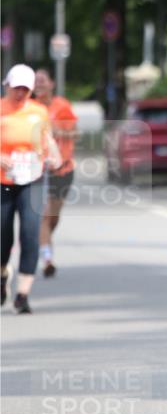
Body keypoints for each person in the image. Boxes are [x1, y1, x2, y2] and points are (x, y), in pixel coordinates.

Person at [1, 64, 62, 313]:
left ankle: (23, 294)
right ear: (7, 86)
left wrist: (55, 157)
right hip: (3, 182)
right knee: (2, 235)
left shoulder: (39, 111)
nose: (20, 94)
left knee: (29, 232)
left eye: (26, 89)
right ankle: (3, 274)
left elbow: (47, 140)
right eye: (16, 88)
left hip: (33, 178)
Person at [33, 68, 78, 277]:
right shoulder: (29, 108)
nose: (39, 85)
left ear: (51, 84)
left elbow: (74, 133)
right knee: (44, 214)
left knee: (53, 216)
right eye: (36, 82)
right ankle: (47, 257)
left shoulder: (62, 106)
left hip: (64, 168)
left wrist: (55, 130)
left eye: (42, 81)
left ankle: (42, 241)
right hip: (40, 169)